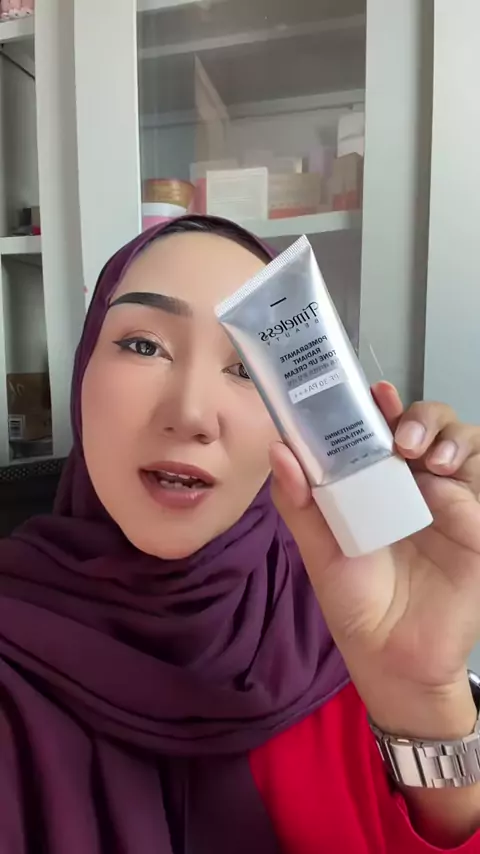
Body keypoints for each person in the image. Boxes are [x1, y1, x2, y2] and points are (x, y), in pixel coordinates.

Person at [0, 215, 480, 854]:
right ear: (83, 370)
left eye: (249, 368)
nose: (192, 414)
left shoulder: (356, 638)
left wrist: (424, 699)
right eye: (143, 345)